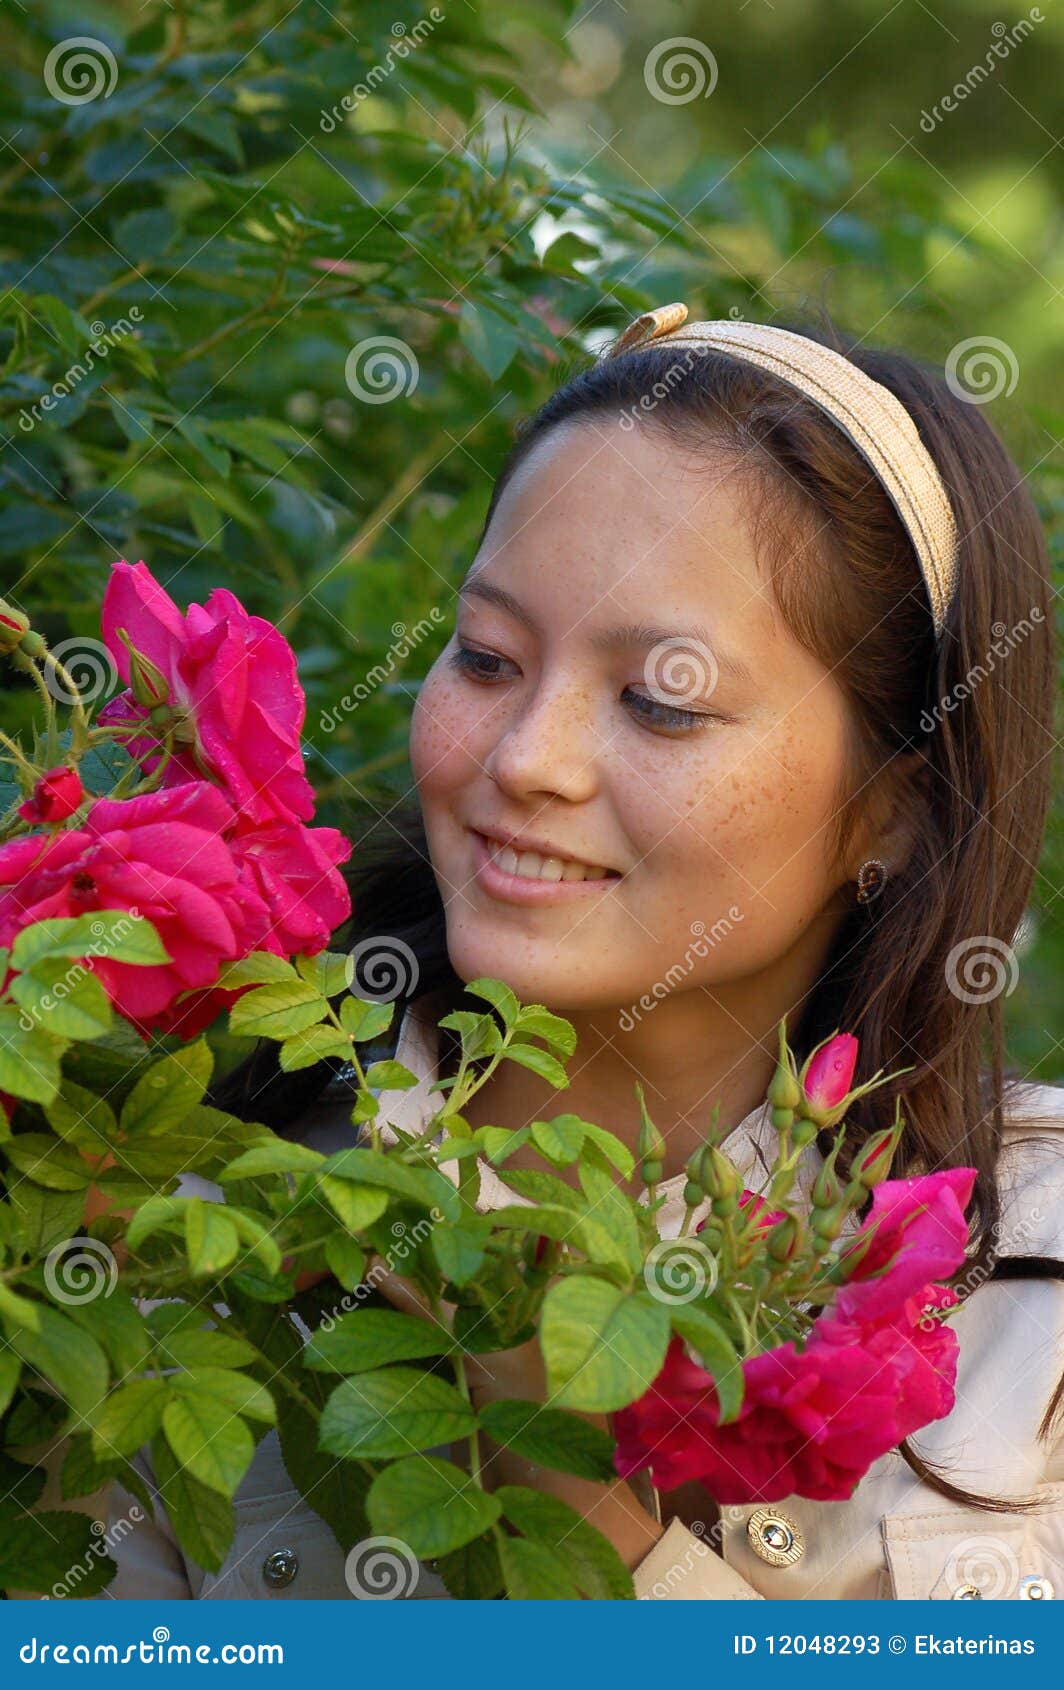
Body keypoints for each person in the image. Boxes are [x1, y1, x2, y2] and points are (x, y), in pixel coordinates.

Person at [106, 306, 1064, 1600]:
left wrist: (574, 1503)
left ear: (890, 809)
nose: (525, 759)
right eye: (487, 657)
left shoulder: (1036, 1293)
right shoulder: (196, 1212)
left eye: (662, 700)